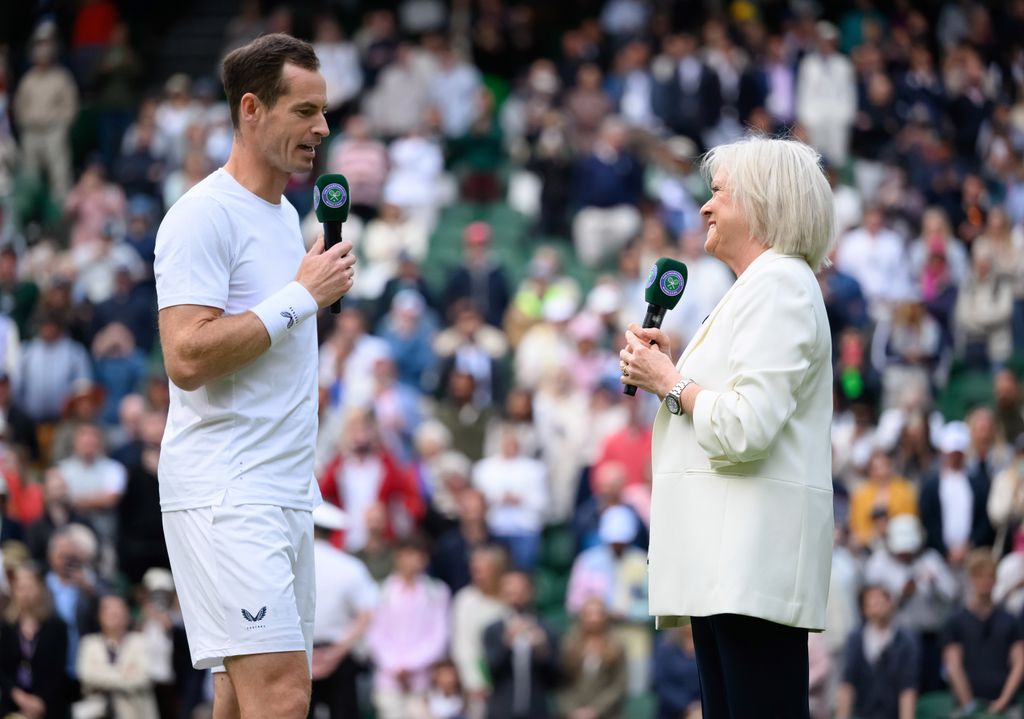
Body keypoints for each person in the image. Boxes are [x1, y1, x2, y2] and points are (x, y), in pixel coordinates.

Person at [153, 33, 355, 719]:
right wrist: (303, 296)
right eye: (305, 111)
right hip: (228, 492)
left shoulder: (284, 218)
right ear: (251, 111)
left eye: (323, 112)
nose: (321, 128)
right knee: (283, 696)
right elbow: (185, 356)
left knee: (241, 698)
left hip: (281, 490)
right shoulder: (201, 216)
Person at [619, 136, 835, 718]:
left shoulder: (781, 284)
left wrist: (670, 381)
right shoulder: (759, 288)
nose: (705, 208)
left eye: (718, 194)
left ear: (762, 203)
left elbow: (746, 426)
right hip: (729, 568)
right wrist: (679, 364)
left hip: (750, 566)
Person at [309, 502, 378, 719]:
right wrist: (336, 652)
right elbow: (367, 613)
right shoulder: (350, 566)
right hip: (339, 655)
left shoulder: (288, 563)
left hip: (299, 656)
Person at [942, 550, 1024, 717]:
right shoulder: (955, 621)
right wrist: (971, 706)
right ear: (970, 578)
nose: (984, 582)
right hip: (967, 707)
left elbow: (1019, 662)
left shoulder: (1010, 620)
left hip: (1006, 707)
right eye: (979, 576)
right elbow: (953, 665)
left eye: (989, 576)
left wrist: (1002, 702)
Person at [836, 585, 919, 719]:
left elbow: (908, 688)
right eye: (871, 602)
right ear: (864, 609)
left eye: (881, 600)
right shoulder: (856, 639)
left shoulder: (905, 640)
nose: (877, 606)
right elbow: (847, 685)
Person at [0, 561, 70, 719]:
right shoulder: (6, 627)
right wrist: (18, 696)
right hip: (13, 704)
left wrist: (40, 702)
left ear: (40, 589)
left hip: (48, 705)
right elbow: (2, 670)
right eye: (20, 588)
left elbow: (58, 670)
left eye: (29, 587)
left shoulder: (57, 627)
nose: (25, 594)